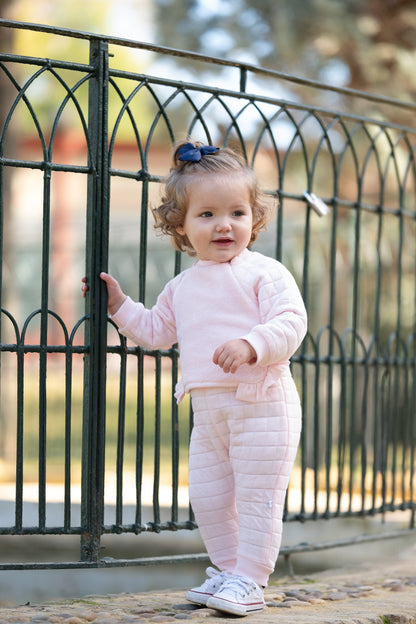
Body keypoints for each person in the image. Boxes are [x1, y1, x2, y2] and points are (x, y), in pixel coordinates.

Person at [85, 141, 307, 617]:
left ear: (254, 218)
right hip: (209, 414)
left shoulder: (264, 273)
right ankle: (228, 571)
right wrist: (119, 307)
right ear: (180, 226)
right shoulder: (181, 288)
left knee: (256, 498)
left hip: (261, 403)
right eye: (207, 214)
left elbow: (291, 322)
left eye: (237, 212)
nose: (224, 224)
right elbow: (156, 332)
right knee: (207, 498)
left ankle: (251, 578)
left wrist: (253, 344)